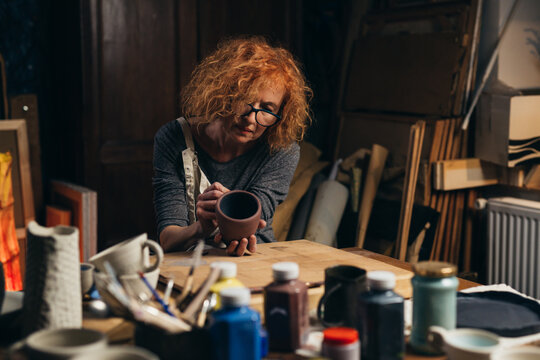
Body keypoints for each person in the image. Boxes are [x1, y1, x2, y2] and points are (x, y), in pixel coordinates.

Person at [153, 35, 312, 256]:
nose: (251, 118)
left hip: (255, 255)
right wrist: (202, 227)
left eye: (267, 109)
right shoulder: (173, 138)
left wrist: (228, 210)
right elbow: (168, 240)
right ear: (225, 93)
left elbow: (258, 213)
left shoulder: (282, 149)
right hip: (191, 261)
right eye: (245, 99)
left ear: (280, 114)